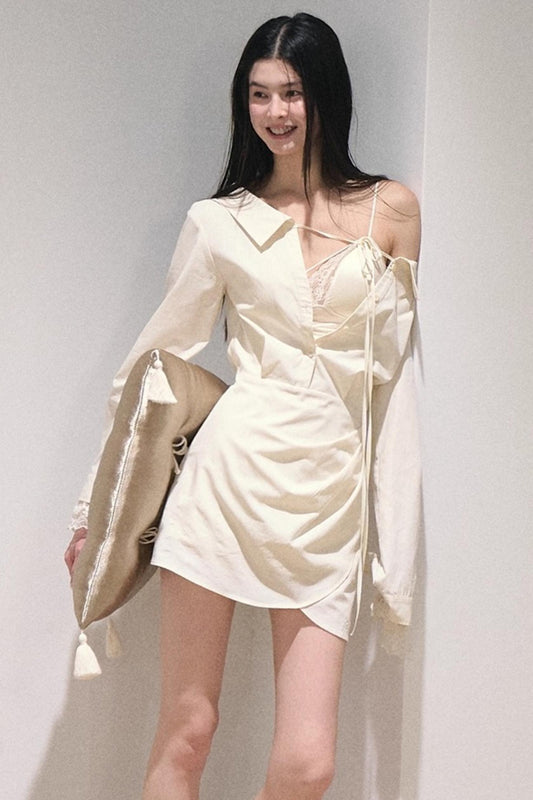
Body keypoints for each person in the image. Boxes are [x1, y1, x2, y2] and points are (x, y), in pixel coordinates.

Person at [64, 12, 421, 800]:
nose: (275, 112)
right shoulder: (218, 223)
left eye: (291, 92)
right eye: (258, 94)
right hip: (225, 486)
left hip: (327, 501)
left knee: (308, 763)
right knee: (188, 729)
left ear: (326, 93)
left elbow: (397, 387)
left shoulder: (390, 211)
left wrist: (392, 538)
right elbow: (151, 366)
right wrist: (94, 509)